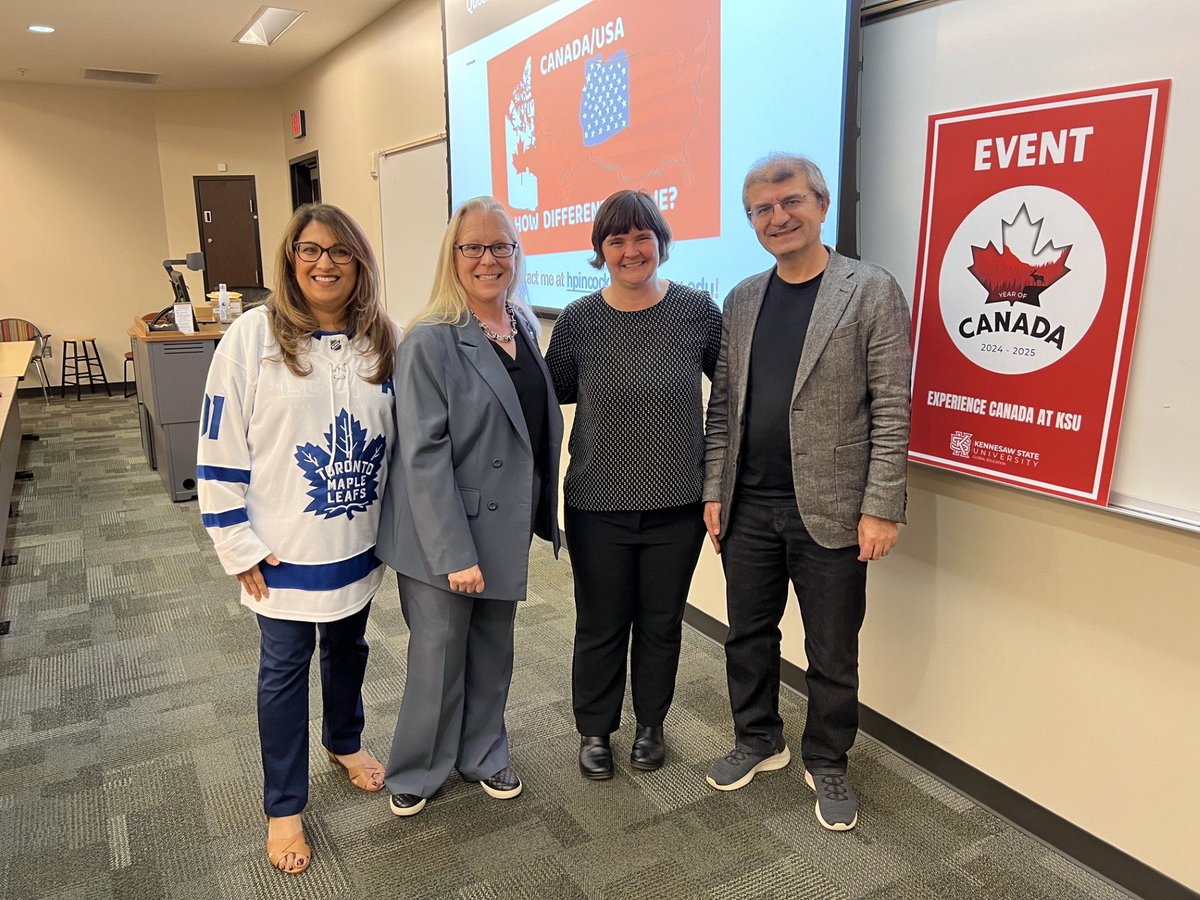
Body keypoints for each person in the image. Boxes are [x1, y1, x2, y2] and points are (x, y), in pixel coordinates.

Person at [702, 154, 912, 831]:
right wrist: (714, 488)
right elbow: (724, 407)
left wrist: (881, 505)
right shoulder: (740, 300)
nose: (777, 217)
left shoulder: (870, 289)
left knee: (831, 650)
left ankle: (827, 760)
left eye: (790, 201)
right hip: (749, 506)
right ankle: (759, 737)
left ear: (822, 205)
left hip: (836, 509)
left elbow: (892, 407)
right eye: (762, 209)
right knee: (748, 637)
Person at [197, 203, 399, 874]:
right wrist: (235, 541)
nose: (325, 263)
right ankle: (284, 806)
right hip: (281, 547)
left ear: (359, 261)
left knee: (349, 646)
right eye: (311, 250)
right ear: (291, 259)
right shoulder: (251, 338)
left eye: (340, 251)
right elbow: (218, 445)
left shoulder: (380, 337)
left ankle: (345, 741)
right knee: (284, 672)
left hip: (356, 536)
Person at [375, 196, 562, 817]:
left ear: (516, 253)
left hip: (502, 522)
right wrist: (455, 554)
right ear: (452, 258)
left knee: (493, 648)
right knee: (438, 653)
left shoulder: (523, 323)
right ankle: (418, 767)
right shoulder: (430, 340)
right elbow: (421, 458)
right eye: (473, 247)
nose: (488, 258)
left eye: (500, 246)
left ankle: (483, 752)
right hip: (443, 530)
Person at [545, 190, 721, 780]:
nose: (630, 250)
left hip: (677, 501)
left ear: (661, 243)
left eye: (641, 236)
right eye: (616, 239)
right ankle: (595, 730)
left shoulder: (699, 313)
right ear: (600, 250)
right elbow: (556, 393)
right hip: (597, 500)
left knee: (660, 621)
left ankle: (651, 724)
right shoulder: (578, 320)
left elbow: (727, 401)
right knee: (599, 622)